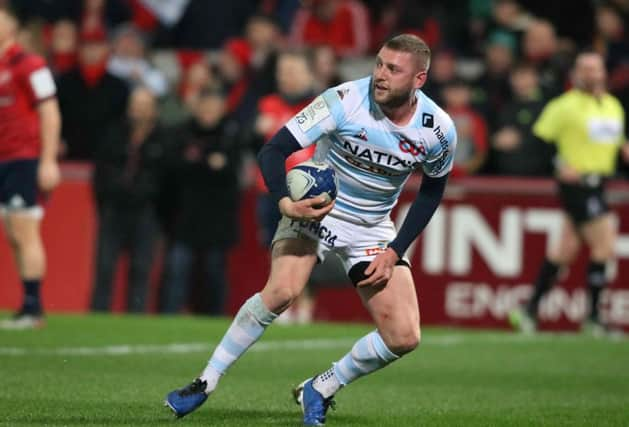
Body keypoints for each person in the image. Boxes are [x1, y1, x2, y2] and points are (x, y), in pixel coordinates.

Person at [164, 34, 457, 425]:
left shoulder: (437, 130)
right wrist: (285, 200)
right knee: (282, 291)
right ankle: (205, 381)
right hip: (316, 212)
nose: (380, 75)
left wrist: (395, 249)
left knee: (404, 336)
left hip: (372, 230)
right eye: (379, 64)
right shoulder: (344, 100)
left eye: (393, 69)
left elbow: (431, 192)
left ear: (419, 79)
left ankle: (321, 386)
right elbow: (273, 150)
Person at [509, 51, 629, 335]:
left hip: (599, 182)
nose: (590, 74)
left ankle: (528, 312)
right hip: (577, 185)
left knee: (565, 250)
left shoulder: (612, 105)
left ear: (603, 73)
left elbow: (614, 139)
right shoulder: (563, 106)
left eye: (595, 69)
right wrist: (559, 164)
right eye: (585, 69)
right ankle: (594, 319)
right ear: (576, 73)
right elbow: (537, 141)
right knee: (605, 245)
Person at [0, 8, 61, 329]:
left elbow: (50, 112)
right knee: (13, 232)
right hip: (4, 158)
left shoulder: (29, 64)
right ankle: (27, 305)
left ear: (11, 24)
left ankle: (34, 308)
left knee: (24, 231)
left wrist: (48, 160)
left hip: (23, 158)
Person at [159, 90, 242, 315]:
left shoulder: (231, 134)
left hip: (218, 218)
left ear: (222, 110)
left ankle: (214, 316)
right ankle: (169, 315)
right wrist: (208, 164)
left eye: (213, 109)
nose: (208, 114)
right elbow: (173, 167)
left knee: (214, 272)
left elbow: (231, 173)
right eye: (205, 108)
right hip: (184, 215)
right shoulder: (181, 133)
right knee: (177, 269)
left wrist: (197, 163)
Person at [90, 87, 168, 313]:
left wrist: (156, 205)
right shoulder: (114, 133)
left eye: (144, 106)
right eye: (135, 105)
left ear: (154, 110)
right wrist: (105, 201)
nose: (138, 111)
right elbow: (100, 173)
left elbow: (167, 180)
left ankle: (136, 315)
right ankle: (98, 315)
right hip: (113, 209)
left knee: (141, 268)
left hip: (146, 211)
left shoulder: (163, 138)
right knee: (104, 267)